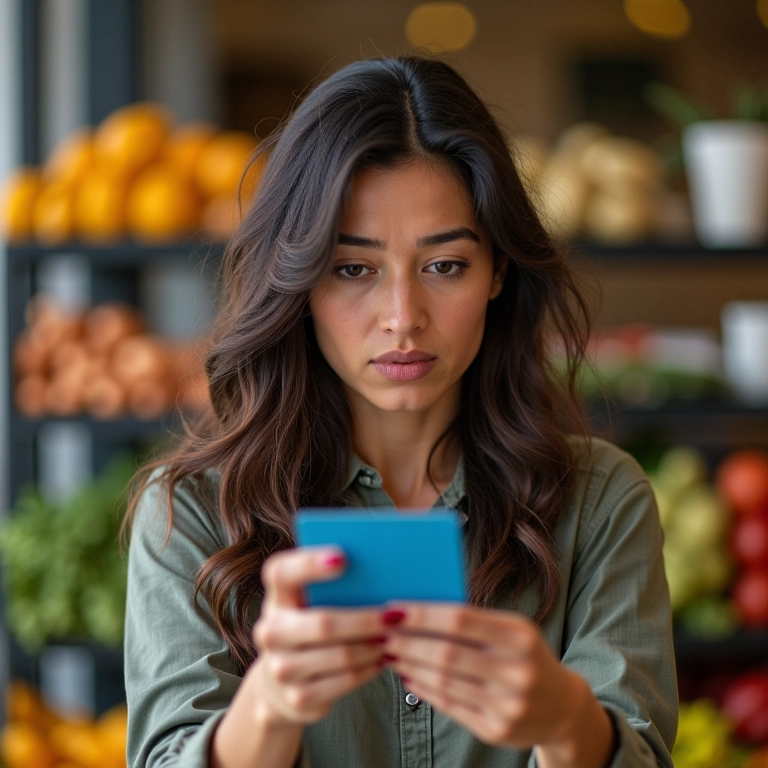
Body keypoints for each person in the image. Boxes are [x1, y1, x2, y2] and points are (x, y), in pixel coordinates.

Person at [124, 55, 678, 768]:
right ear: (298, 282)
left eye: (444, 265)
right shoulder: (191, 514)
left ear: (498, 272)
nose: (402, 319)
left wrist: (566, 718)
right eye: (353, 269)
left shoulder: (601, 503)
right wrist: (269, 707)